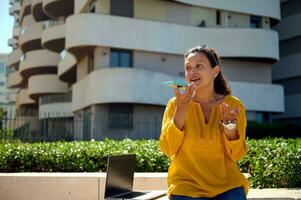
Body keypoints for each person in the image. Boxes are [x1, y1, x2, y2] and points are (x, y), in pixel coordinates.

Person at [160, 45, 248, 200]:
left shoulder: (234, 106)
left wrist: (229, 125)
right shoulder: (175, 104)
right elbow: (168, 149)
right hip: (185, 186)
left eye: (199, 66)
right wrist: (181, 111)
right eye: (188, 68)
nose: (192, 72)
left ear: (215, 71)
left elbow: (236, 154)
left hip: (228, 186)